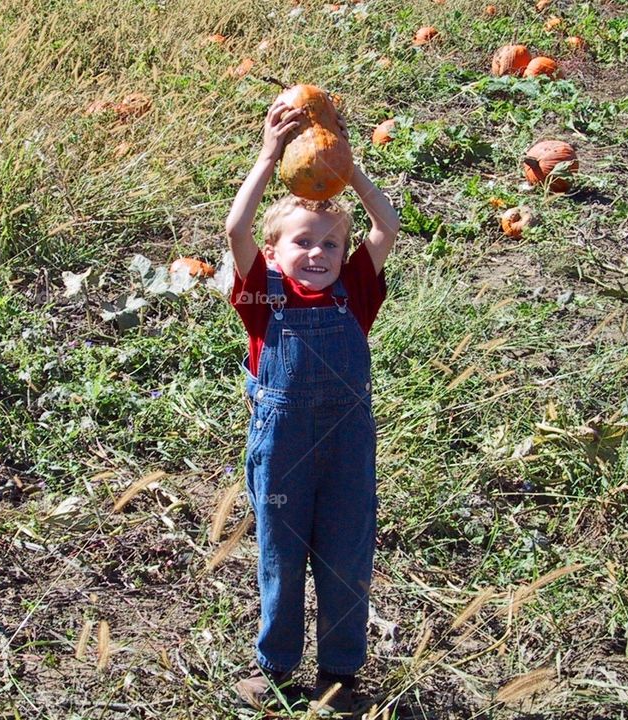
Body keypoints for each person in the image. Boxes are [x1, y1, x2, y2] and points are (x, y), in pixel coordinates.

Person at [225, 96, 400, 715]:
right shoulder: (262, 295)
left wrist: (344, 165)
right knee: (281, 552)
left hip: (347, 450)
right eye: (303, 242)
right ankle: (275, 668)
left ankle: (339, 677)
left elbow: (386, 227)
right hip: (283, 451)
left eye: (331, 244)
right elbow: (236, 230)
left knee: (347, 555)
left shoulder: (355, 292)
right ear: (274, 252)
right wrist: (269, 155)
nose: (319, 253)